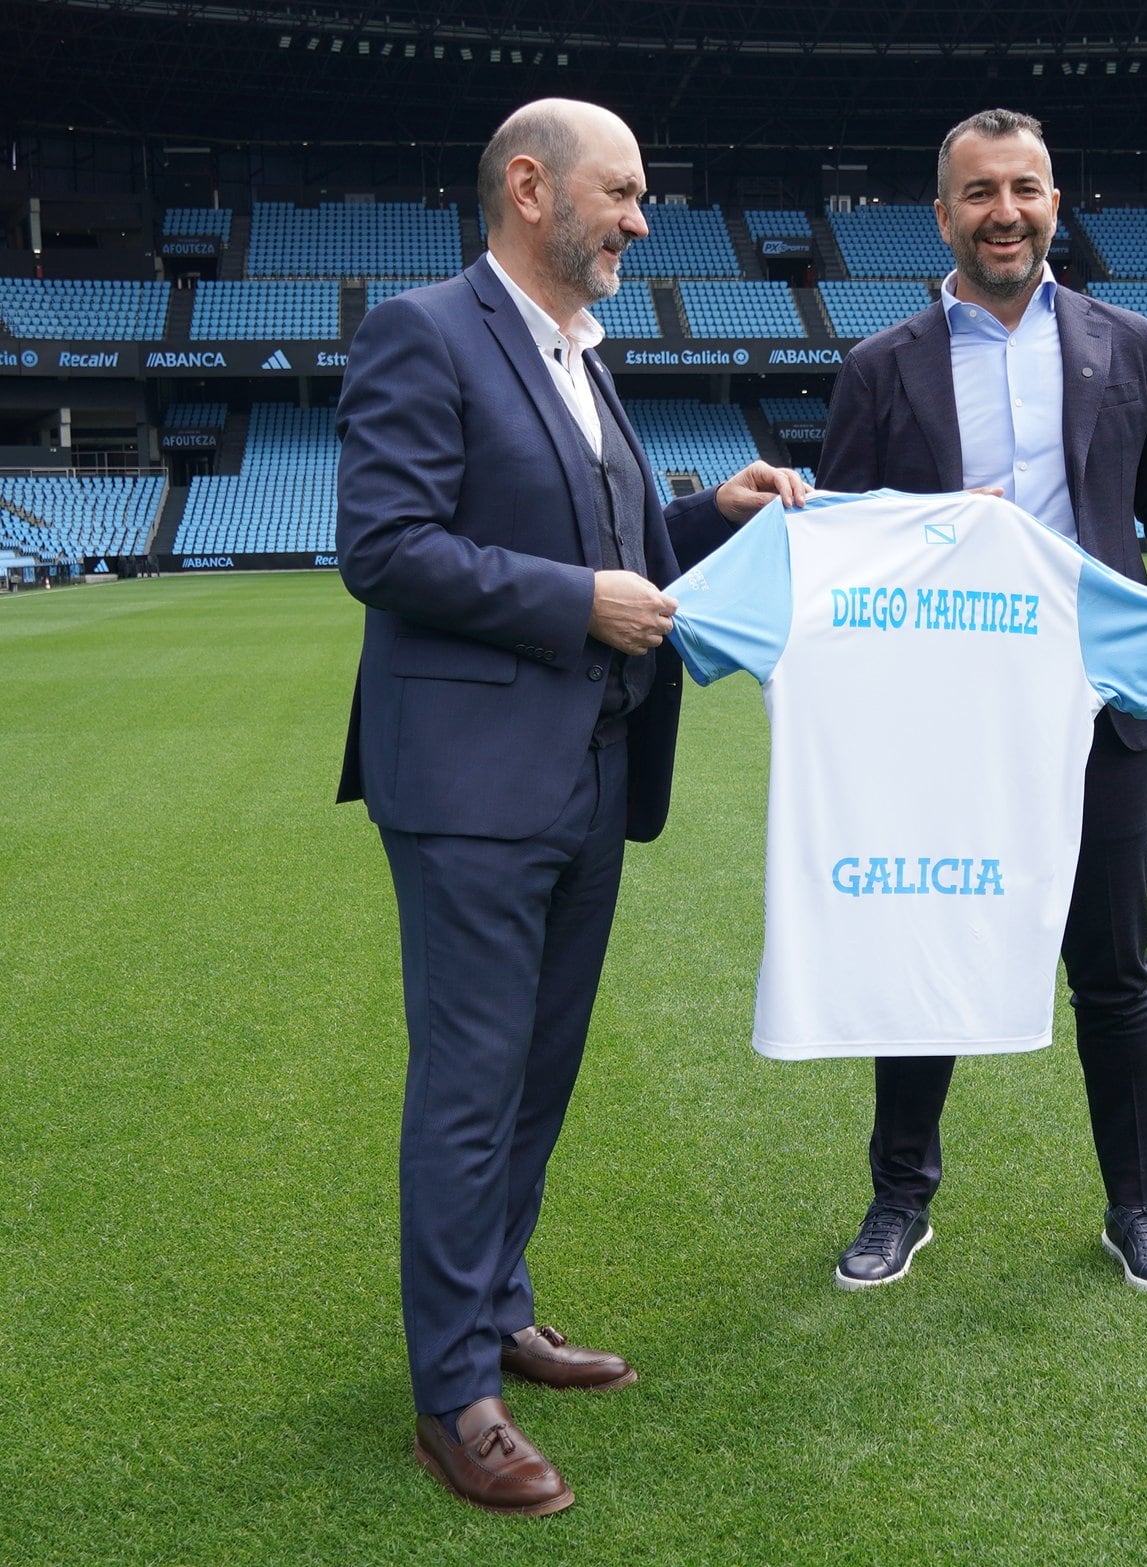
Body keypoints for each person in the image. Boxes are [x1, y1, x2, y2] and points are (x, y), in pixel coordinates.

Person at [335, 98, 804, 1515]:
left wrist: (705, 514)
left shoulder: (582, 353)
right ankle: (450, 1394)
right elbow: (385, 543)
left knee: (535, 1078)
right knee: (470, 1087)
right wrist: (575, 602)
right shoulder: (424, 330)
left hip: (590, 774)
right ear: (529, 188)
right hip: (472, 788)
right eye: (623, 192)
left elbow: (616, 548)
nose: (641, 219)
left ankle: (498, 1304)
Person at [816, 107, 1147, 1299]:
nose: (1005, 212)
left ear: (1056, 200)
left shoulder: (1127, 342)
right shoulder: (878, 366)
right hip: (942, 716)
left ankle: (1138, 1210)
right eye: (979, 193)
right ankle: (900, 1198)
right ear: (940, 212)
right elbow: (844, 540)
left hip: (1097, 706)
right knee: (924, 950)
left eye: (1026, 188)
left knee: (1113, 965)